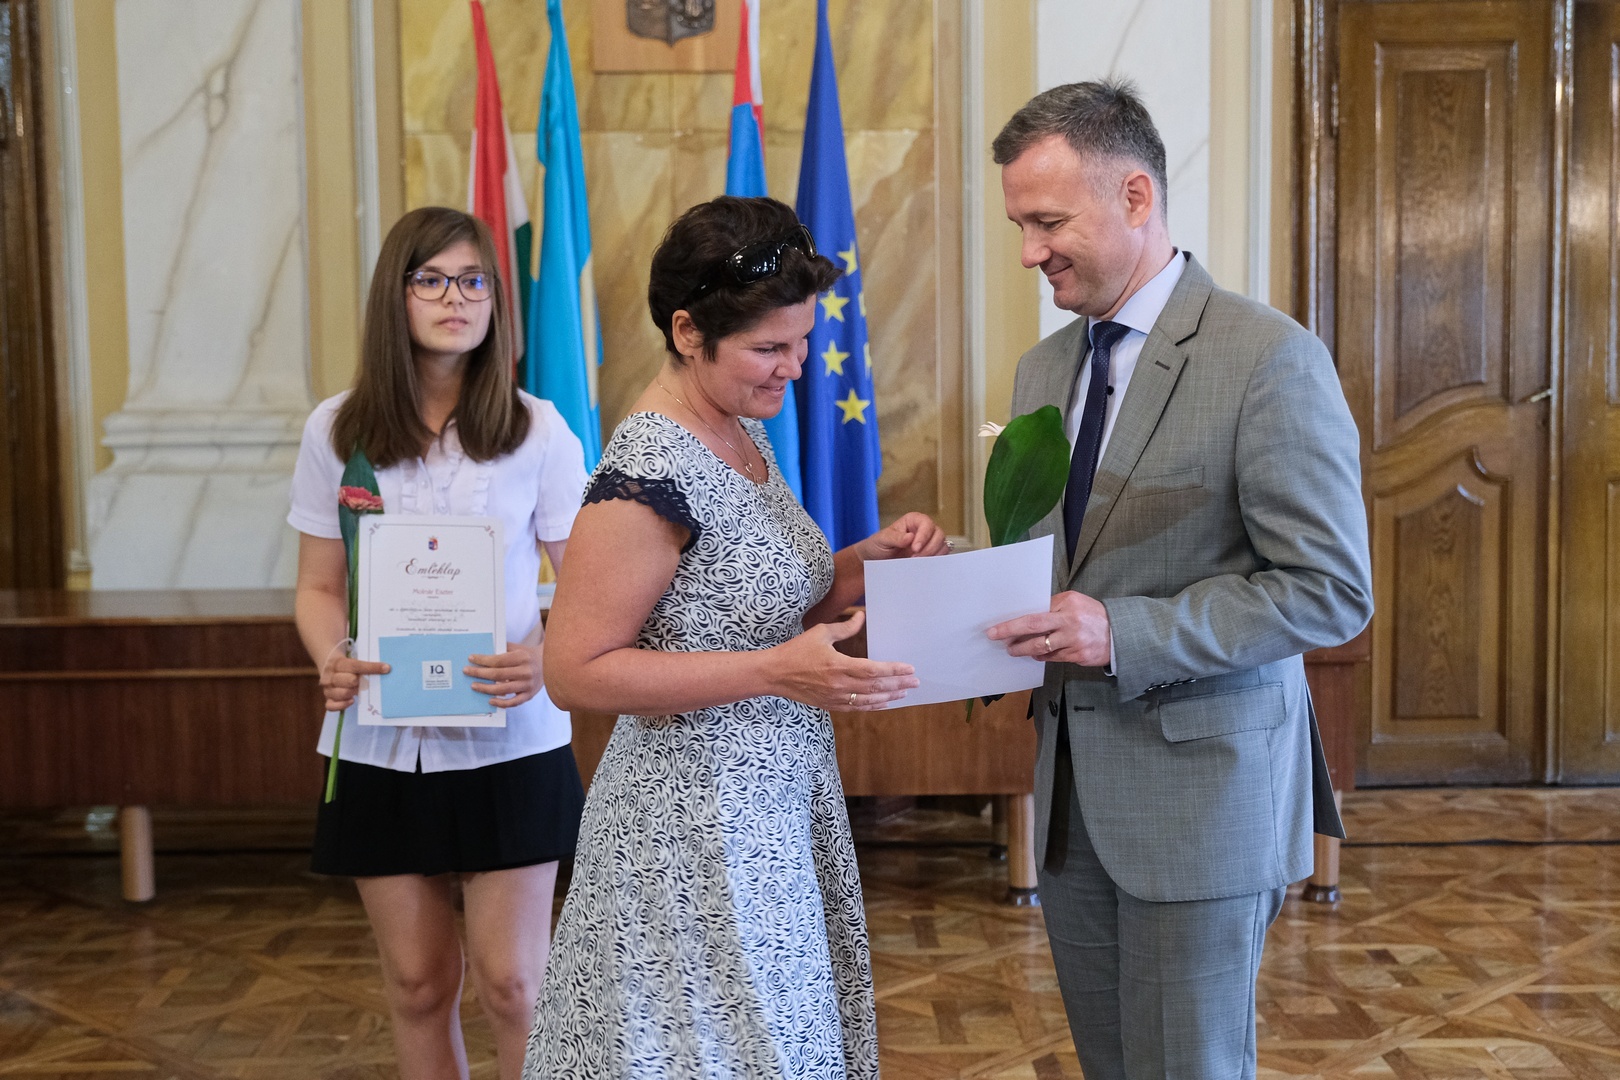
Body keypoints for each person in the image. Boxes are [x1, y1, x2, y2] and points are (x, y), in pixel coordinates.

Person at [984, 81, 1370, 1079]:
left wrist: (1126, 634)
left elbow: (1329, 588)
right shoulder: (1041, 370)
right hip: (1070, 803)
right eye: (1021, 226)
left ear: (1136, 196)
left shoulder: (1268, 358)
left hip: (1203, 803)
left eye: (1048, 222)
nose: (1029, 251)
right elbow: (1065, 560)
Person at [522, 195, 947, 1079]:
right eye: (769, 348)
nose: (795, 366)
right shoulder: (648, 471)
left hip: (774, 804)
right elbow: (575, 671)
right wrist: (772, 672)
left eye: (802, 341)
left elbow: (752, 599)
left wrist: (865, 560)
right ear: (688, 332)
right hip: (690, 829)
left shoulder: (741, 429)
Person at [287, 206, 589, 1080]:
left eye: (473, 280)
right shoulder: (337, 429)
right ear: (397, 294)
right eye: (432, 280)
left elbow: (589, 589)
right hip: (379, 740)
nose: (456, 298)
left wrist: (546, 658)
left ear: (495, 300)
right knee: (418, 984)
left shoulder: (538, 429)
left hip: (511, 737)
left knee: (515, 985)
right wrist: (329, 657)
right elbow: (317, 588)